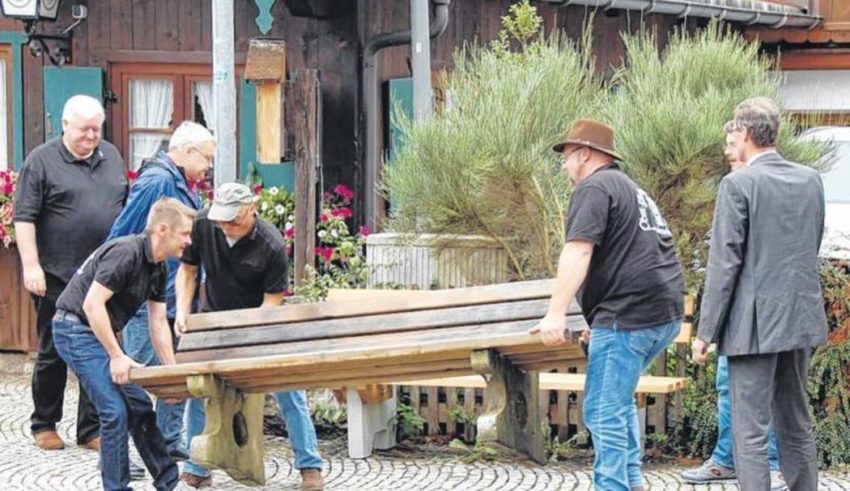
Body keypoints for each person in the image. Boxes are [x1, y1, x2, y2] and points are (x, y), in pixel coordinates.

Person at [529, 119, 685, 490]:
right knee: (616, 402)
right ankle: (630, 483)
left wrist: (555, 314)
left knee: (602, 409)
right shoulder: (629, 187)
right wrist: (597, 318)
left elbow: (579, 250)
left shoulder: (594, 187)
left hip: (629, 316)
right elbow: (634, 254)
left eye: (566, 157)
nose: (564, 166)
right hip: (662, 314)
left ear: (583, 154)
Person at [692, 97, 827, 491]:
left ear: (746, 133)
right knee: (795, 420)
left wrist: (706, 332)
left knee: (749, 431)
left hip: (752, 325)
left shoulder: (738, 183)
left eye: (734, 131)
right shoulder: (810, 179)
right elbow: (810, 245)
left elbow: (724, 264)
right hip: (799, 315)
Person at [174, 183, 325, 490]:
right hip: (214, 319)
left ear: (251, 209)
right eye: (221, 219)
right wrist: (182, 312)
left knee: (288, 389)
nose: (225, 226)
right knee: (200, 389)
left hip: (261, 323)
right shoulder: (204, 225)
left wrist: (250, 335)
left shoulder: (271, 244)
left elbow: (272, 302)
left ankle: (310, 465)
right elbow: (188, 271)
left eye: (233, 220)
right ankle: (197, 466)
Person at [51, 198, 196, 490]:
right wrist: (116, 355)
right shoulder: (126, 253)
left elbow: (157, 324)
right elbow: (92, 305)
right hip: (72, 329)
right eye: (185, 234)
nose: (189, 241)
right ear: (163, 229)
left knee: (140, 405)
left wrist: (171, 377)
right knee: (114, 412)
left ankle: (169, 482)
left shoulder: (158, 267)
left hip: (93, 332)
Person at [13, 94, 128, 452]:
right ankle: (45, 423)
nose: (92, 136)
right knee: (53, 349)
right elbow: (24, 218)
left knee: (99, 348)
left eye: (97, 129)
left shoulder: (111, 155)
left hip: (103, 276)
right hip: (56, 274)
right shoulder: (42, 161)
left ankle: (90, 429)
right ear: (64, 125)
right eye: (84, 130)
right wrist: (31, 266)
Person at [681, 136, 786, 490]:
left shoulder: (764, 191)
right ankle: (726, 458)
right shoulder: (733, 188)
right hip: (736, 314)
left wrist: (705, 331)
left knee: (764, 393)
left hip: (762, 315)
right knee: (727, 386)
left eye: (732, 143)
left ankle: (771, 464)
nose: (727, 150)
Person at [107, 121, 215, 460]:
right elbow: (122, 235)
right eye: (207, 159)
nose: (209, 167)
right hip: (146, 298)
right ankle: (132, 452)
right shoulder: (159, 181)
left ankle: (167, 444)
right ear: (187, 152)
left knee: (174, 371)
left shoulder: (182, 181)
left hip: (172, 297)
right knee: (141, 377)